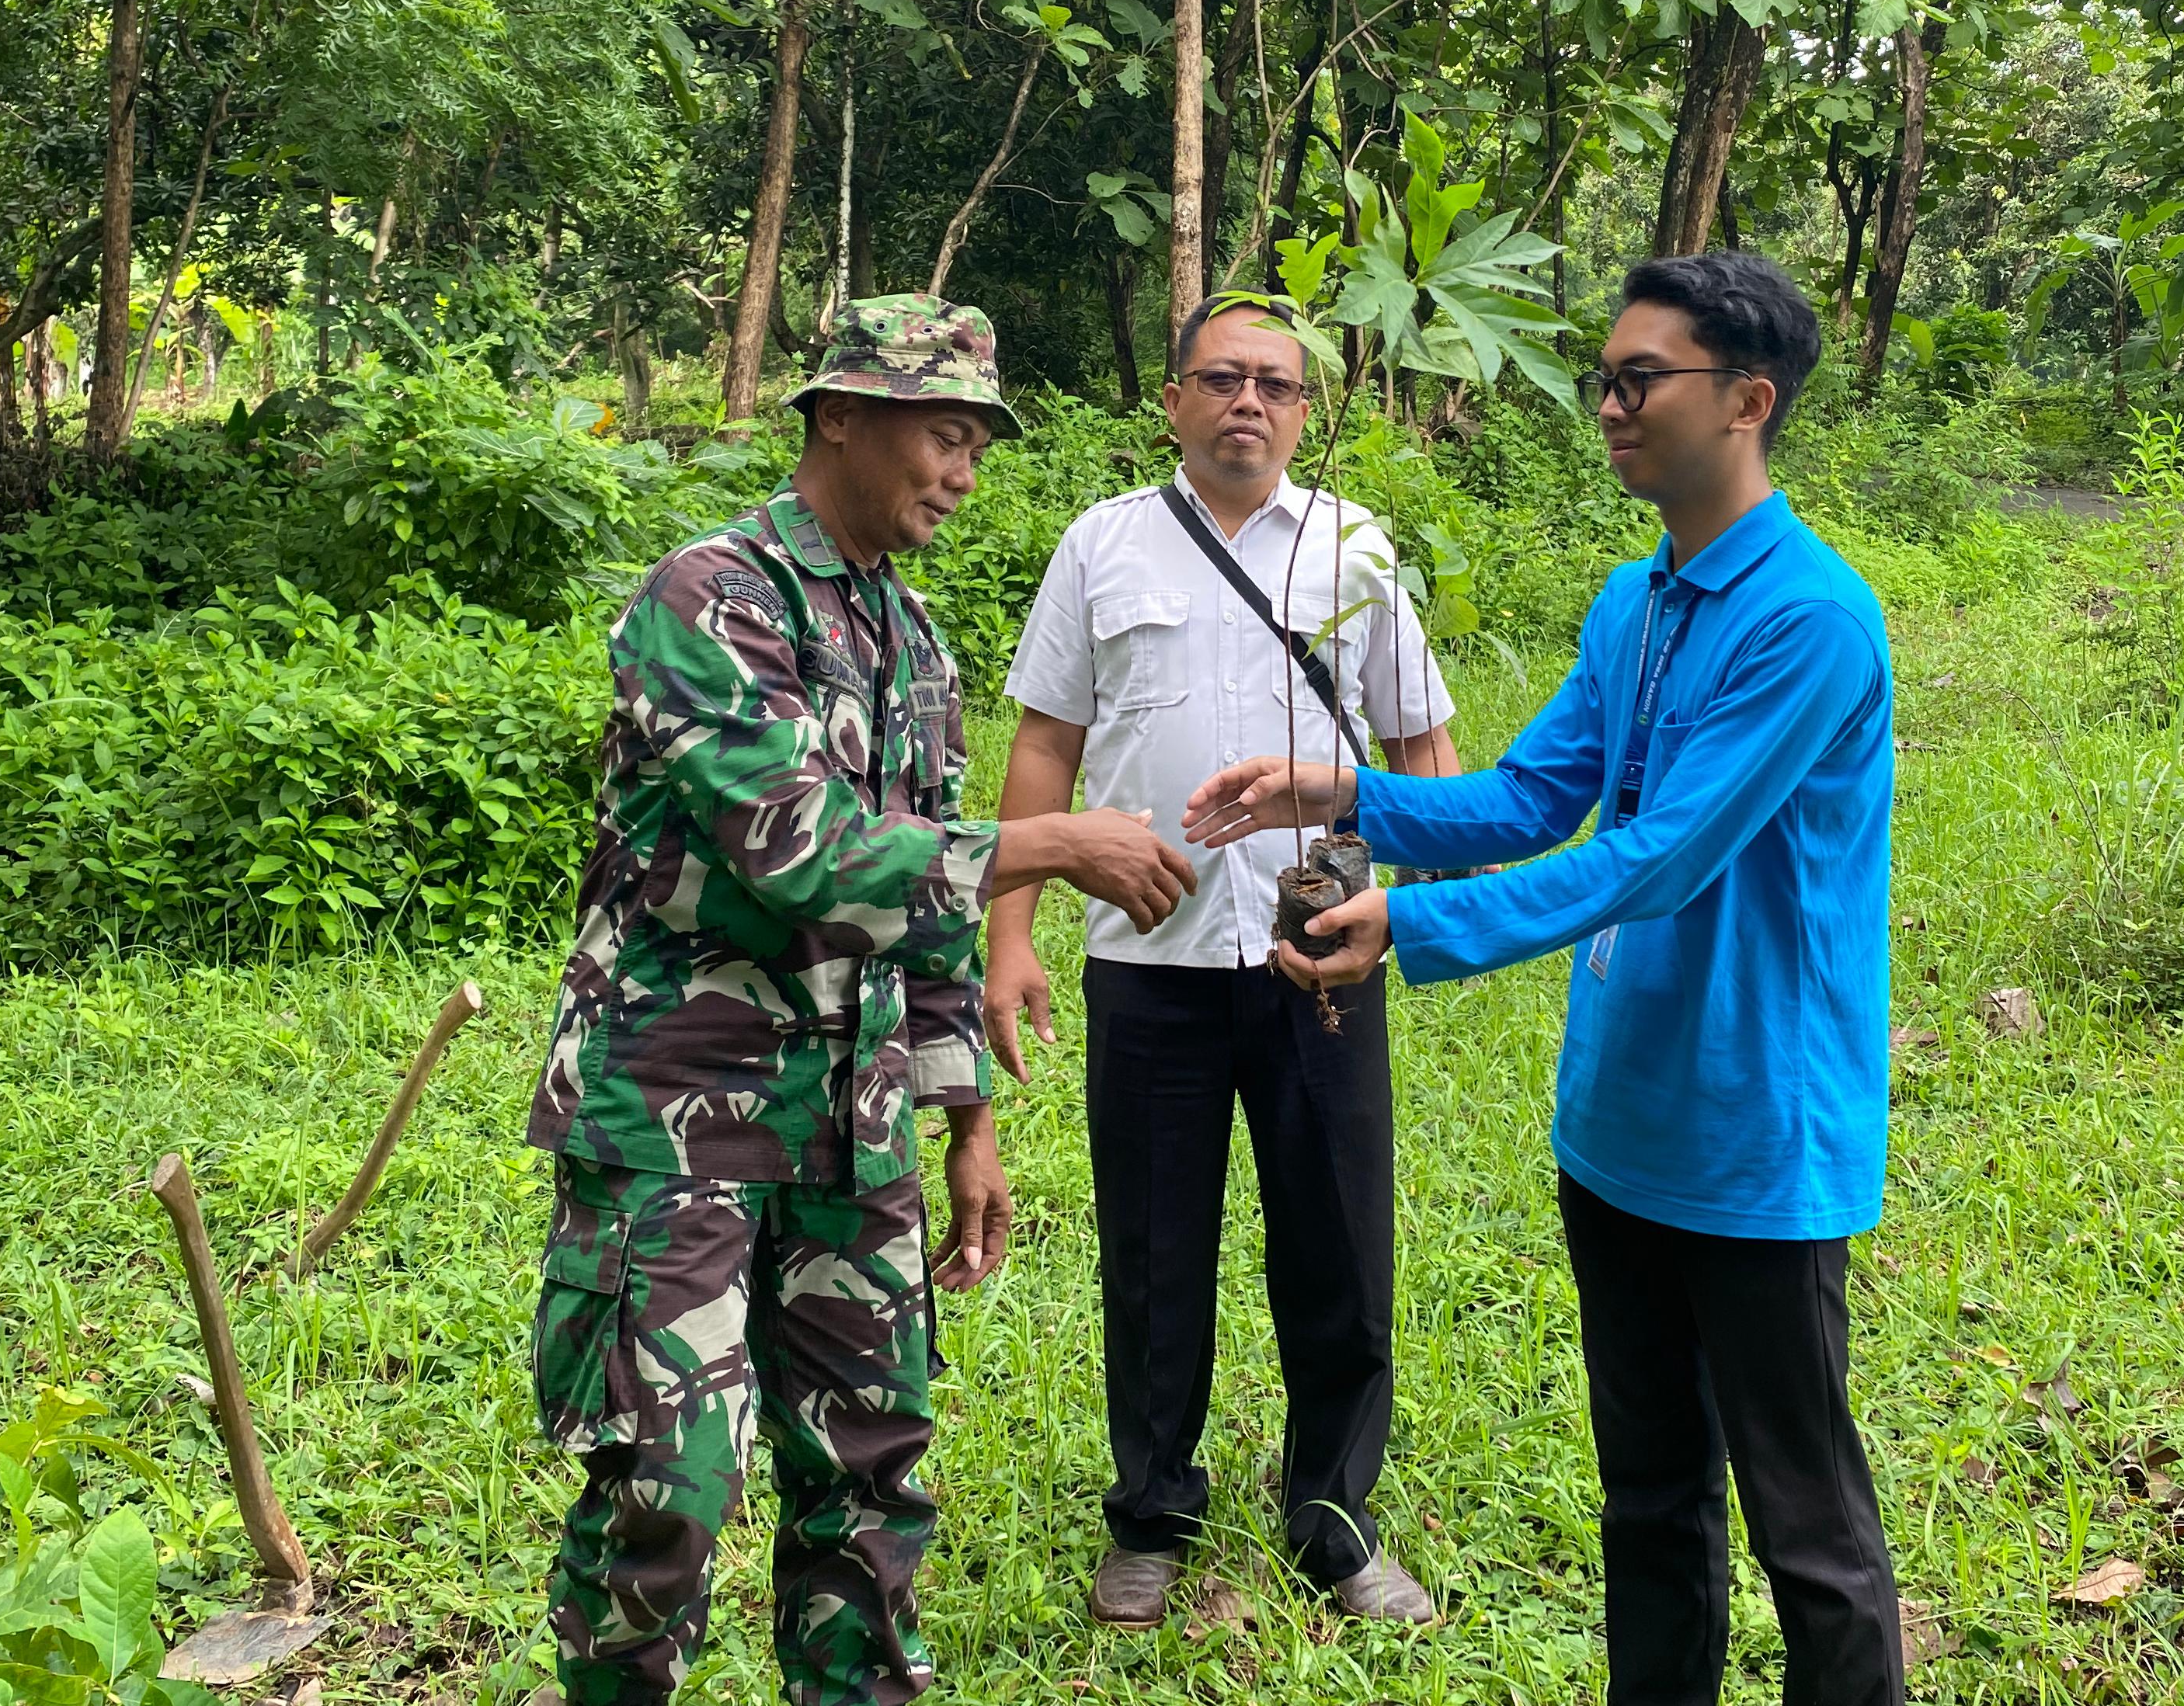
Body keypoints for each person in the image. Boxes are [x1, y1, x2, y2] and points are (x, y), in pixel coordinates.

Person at [1184, 253, 1907, 1706]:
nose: (1611, 405)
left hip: (1758, 1137)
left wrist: (1413, 927)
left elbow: (1656, 858)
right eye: (1609, 378)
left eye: (1644, 379)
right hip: (1621, 1128)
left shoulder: (1812, 621)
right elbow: (1531, 797)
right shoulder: (1638, 605)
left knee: (1806, 1528)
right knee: (1648, 1497)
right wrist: (1346, 792)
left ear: (1749, 401)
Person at [526, 295, 1195, 1706]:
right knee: (667, 1488)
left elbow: (931, 918)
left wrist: (966, 1121)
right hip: (675, 1123)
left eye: (977, 445)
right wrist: (1055, 844)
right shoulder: (707, 598)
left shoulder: (916, 638)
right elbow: (800, 852)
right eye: (944, 435)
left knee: (872, 1486)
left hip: (856, 1128)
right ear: (841, 416)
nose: (961, 471)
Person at [986, 301, 1457, 1628]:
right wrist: (1010, 935)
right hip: (1149, 961)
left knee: (1339, 1245)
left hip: (1321, 961)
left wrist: (1400, 904)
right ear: (1176, 399)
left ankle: (1336, 1517)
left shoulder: (1354, 547)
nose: (1248, 402)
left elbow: (1423, 749)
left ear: (1307, 411)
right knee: (1152, 1249)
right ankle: (1150, 1514)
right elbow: (1042, 748)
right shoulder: (1103, 544)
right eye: (1221, 379)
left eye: (1276, 385)